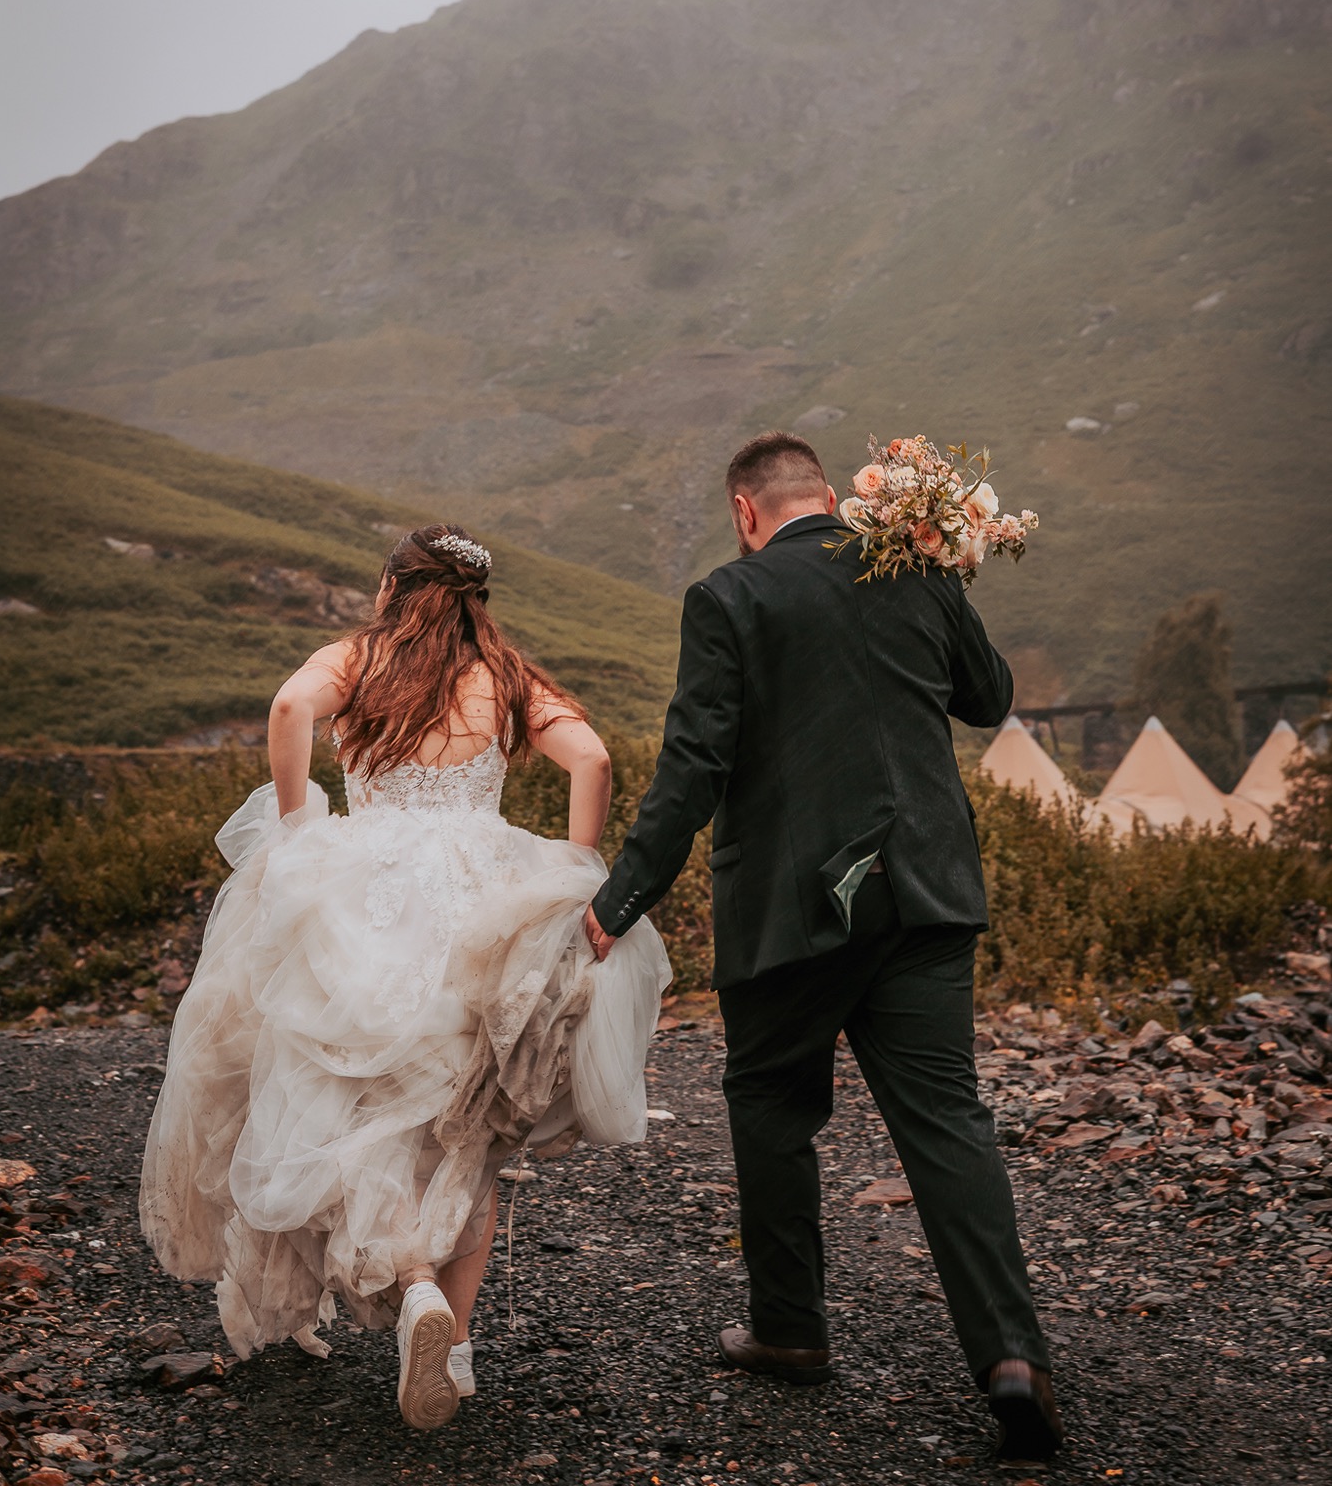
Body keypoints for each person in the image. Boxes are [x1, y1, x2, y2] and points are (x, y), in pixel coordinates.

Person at [584, 432, 1064, 1462]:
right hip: (926, 890)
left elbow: (695, 760)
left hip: (790, 908)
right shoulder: (916, 572)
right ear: (834, 497)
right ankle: (1010, 1358)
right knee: (944, 1119)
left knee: (768, 1101)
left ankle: (792, 1328)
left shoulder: (730, 596)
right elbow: (988, 698)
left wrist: (620, 896)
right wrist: (944, 575)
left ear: (745, 511)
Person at [141, 524, 669, 1431]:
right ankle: (451, 1345)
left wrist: (301, 829)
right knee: (465, 1123)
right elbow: (595, 757)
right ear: (475, 599)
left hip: (365, 893)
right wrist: (572, 871)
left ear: (393, 586)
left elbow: (285, 712)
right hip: (484, 898)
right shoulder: (503, 672)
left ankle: (411, 1283)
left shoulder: (359, 658)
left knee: (351, 1103)